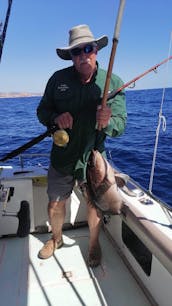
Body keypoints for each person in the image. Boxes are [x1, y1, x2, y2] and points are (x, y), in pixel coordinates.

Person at [37, 24, 127, 267]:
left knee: (93, 204)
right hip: (63, 155)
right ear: (71, 56)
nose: (83, 54)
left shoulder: (112, 82)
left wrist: (107, 122)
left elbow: (120, 125)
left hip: (93, 158)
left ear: (96, 50)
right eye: (77, 51)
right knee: (55, 203)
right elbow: (42, 110)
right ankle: (56, 239)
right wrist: (55, 118)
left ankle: (94, 243)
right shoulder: (58, 80)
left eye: (88, 48)